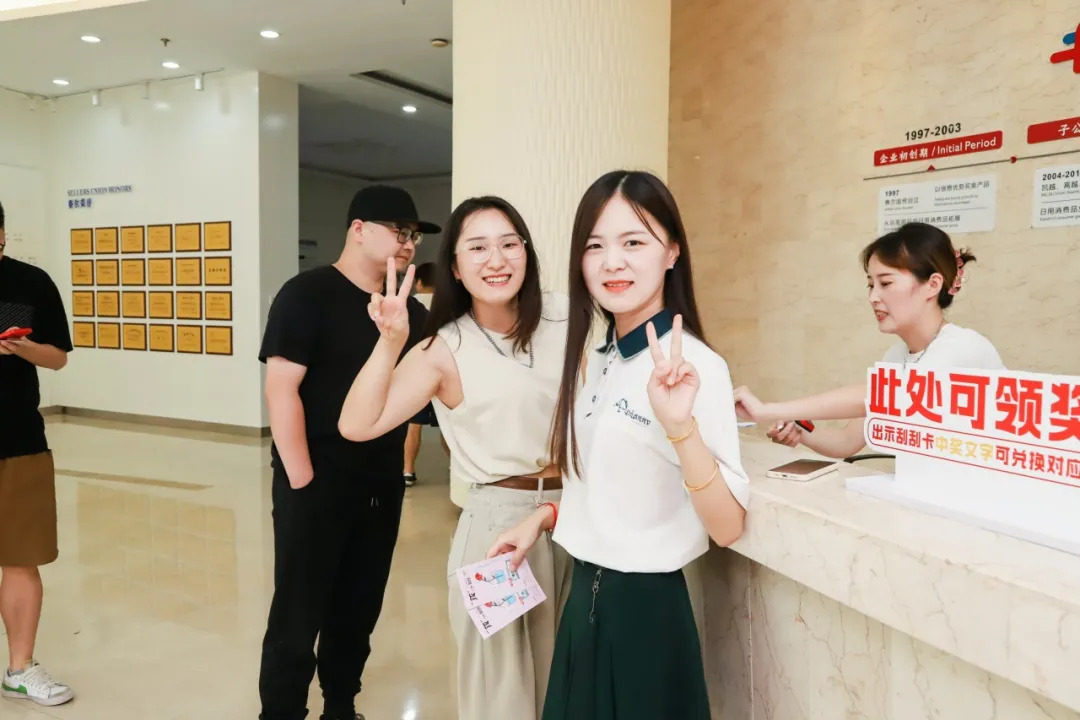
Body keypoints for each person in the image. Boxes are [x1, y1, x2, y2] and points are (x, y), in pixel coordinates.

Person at [488, 170, 750, 720]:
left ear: (672, 253)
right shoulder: (603, 355)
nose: (612, 262)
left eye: (633, 242)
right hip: (585, 596)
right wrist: (544, 517)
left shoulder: (696, 366)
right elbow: (621, 482)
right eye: (594, 246)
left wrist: (680, 428)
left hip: (645, 614)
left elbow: (727, 527)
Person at [337, 196, 571, 720]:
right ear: (457, 268)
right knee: (502, 693)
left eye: (509, 244)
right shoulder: (444, 348)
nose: (497, 260)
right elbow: (356, 425)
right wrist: (390, 342)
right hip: (497, 532)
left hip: (573, 515)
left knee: (569, 681)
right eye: (478, 248)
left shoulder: (563, 316)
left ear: (527, 253)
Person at [257, 185, 437, 720]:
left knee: (359, 607)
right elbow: (281, 389)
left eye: (414, 235)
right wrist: (301, 480)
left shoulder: (412, 314)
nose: (408, 243)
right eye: (399, 231)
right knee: (298, 611)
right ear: (358, 229)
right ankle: (281, 712)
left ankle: (341, 705)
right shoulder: (307, 294)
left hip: (379, 484)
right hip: (313, 479)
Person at [733, 222, 1004, 458]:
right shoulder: (897, 356)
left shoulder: (963, 348)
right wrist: (801, 432)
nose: (873, 297)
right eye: (870, 285)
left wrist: (766, 410)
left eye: (885, 283)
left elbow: (877, 395)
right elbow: (846, 441)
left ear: (932, 285)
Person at [0, 200, 75, 708]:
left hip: (17, 440)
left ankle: (20, 669)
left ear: (2, 234)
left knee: (20, 557)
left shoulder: (30, 282)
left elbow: (58, 357)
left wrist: (24, 350)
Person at [402, 262, 440, 487]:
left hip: (415, 375)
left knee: (413, 425)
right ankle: (457, 470)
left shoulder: (409, 306)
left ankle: (408, 470)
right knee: (448, 426)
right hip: (442, 373)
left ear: (419, 282)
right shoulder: (446, 305)